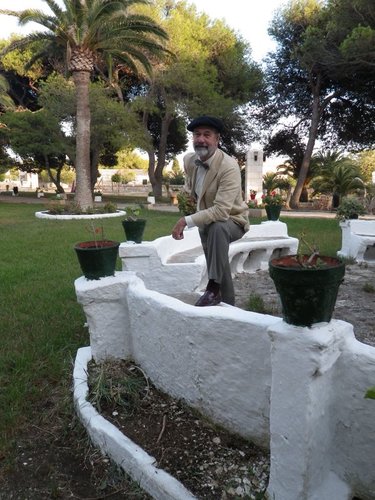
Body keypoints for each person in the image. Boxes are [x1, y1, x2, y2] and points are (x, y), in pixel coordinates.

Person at [172, 116, 249, 306]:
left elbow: (222, 211)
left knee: (218, 228)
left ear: (217, 139)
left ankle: (213, 289)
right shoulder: (190, 160)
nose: (201, 139)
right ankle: (228, 306)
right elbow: (191, 185)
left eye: (207, 135)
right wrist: (188, 194)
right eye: (197, 134)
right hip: (207, 221)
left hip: (233, 221)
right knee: (219, 264)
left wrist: (185, 220)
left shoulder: (229, 166)